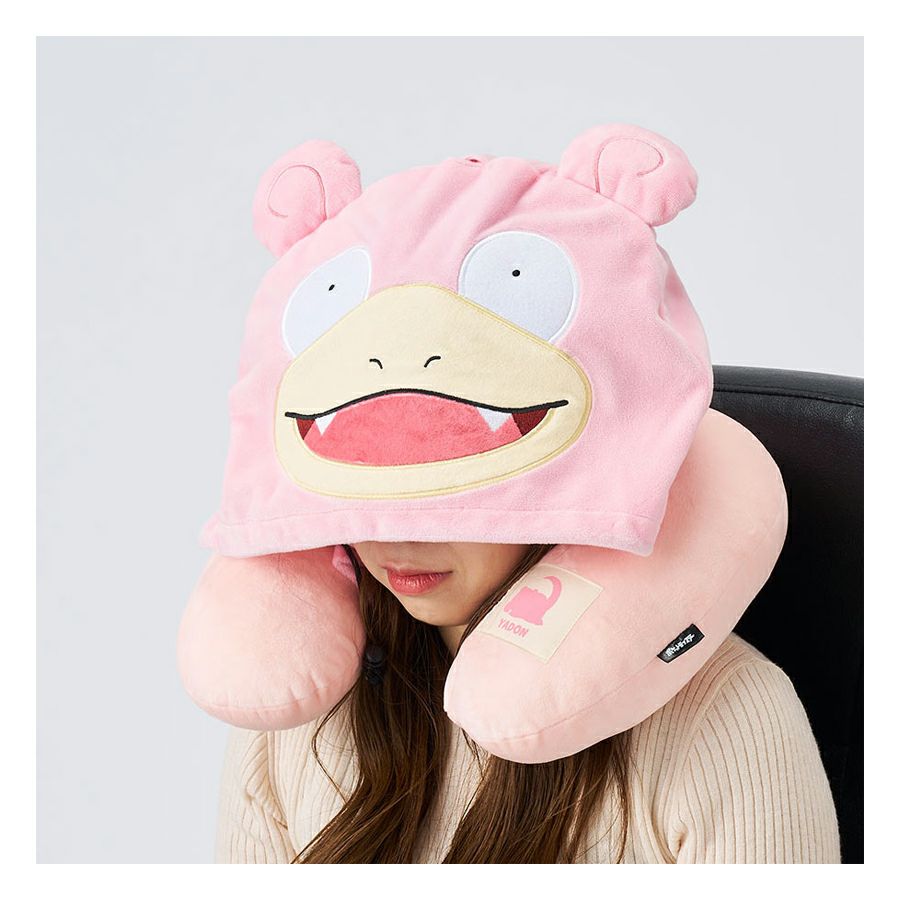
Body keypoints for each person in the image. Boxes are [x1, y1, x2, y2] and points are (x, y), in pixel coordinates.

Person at [214, 541, 842, 864]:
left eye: (449, 476)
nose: (396, 532)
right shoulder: (305, 694)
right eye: (366, 483)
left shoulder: (724, 710)